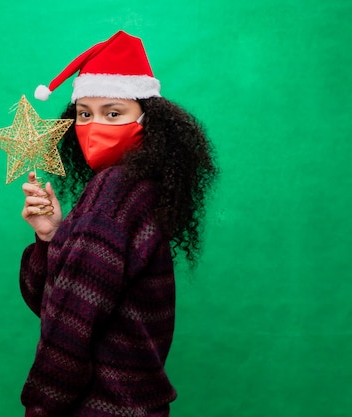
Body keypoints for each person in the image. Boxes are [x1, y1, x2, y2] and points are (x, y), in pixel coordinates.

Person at [19, 30, 217, 417]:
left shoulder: (114, 191)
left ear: (149, 120)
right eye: (84, 113)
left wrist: (40, 407)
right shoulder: (140, 191)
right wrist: (50, 237)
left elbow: (69, 330)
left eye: (113, 113)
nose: (94, 126)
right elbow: (55, 303)